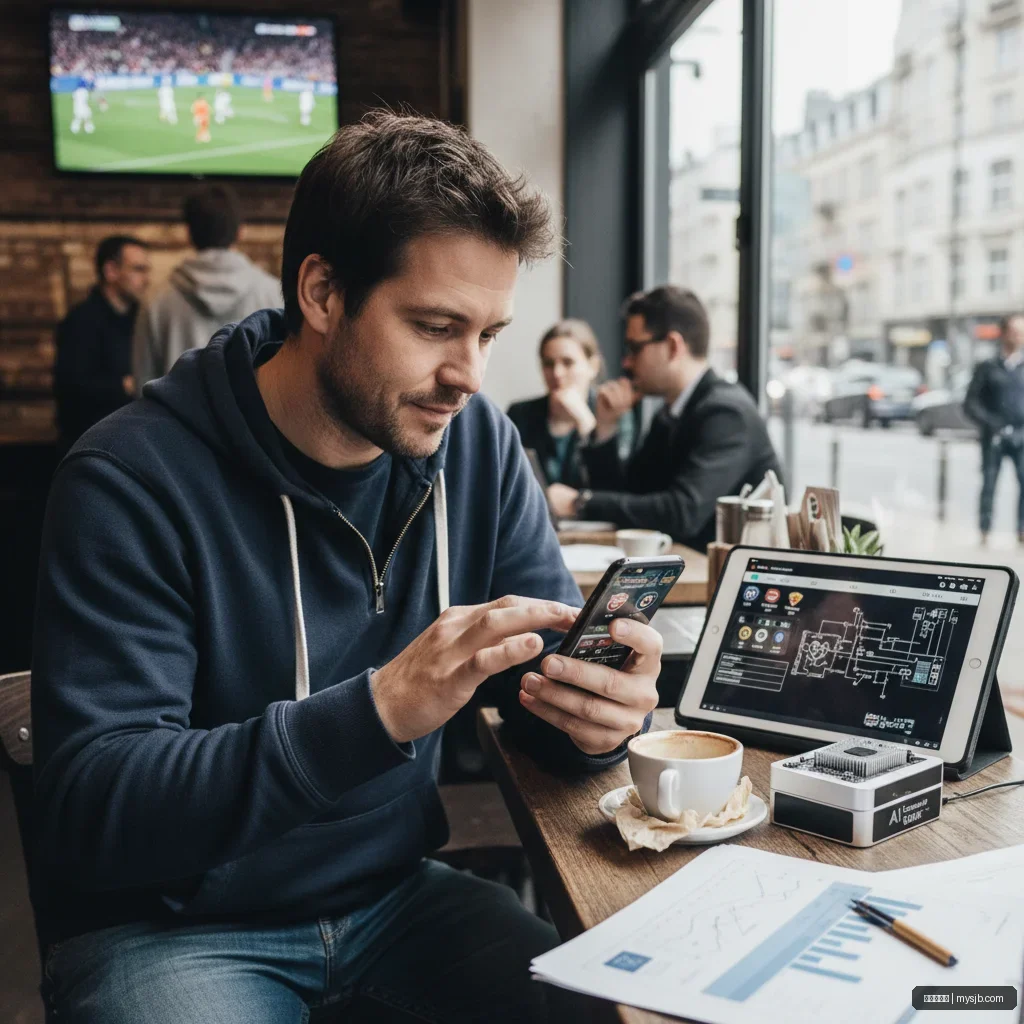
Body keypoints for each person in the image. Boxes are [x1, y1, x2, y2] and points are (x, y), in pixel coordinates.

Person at [33, 110, 662, 1024]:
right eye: (437, 326)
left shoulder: (477, 443)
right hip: (167, 929)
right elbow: (97, 807)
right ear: (322, 294)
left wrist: (595, 718)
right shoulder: (129, 479)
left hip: (398, 896)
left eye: (488, 334)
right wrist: (375, 712)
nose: (470, 375)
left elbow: (537, 696)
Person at [547, 285, 781, 549]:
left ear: (672, 346)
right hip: (688, 570)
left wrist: (580, 502)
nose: (626, 362)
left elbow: (681, 512)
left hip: (727, 581)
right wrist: (606, 428)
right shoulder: (669, 413)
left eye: (635, 348)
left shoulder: (727, 414)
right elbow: (631, 495)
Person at [133, 184, 282, 386]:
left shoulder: (156, 299)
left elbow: (144, 381)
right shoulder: (273, 293)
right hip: (251, 417)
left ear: (188, 233)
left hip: (175, 417)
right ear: (241, 232)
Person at [506, 319, 633, 488]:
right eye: (549, 364)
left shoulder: (615, 415)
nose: (557, 373)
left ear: (593, 366)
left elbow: (614, 487)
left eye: (568, 362)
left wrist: (586, 423)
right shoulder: (520, 413)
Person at [53, 235, 151, 450]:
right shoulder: (80, 321)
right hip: (90, 446)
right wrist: (124, 385)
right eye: (138, 269)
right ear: (111, 271)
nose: (146, 279)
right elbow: (70, 386)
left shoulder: (143, 320)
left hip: (135, 442)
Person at [964, 313, 1024, 544]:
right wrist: (991, 423)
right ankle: (984, 530)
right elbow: (970, 403)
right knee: (989, 484)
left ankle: (1021, 530)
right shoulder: (987, 367)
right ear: (1004, 333)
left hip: (1021, 436)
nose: (1020, 336)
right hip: (994, 437)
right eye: (1016, 331)